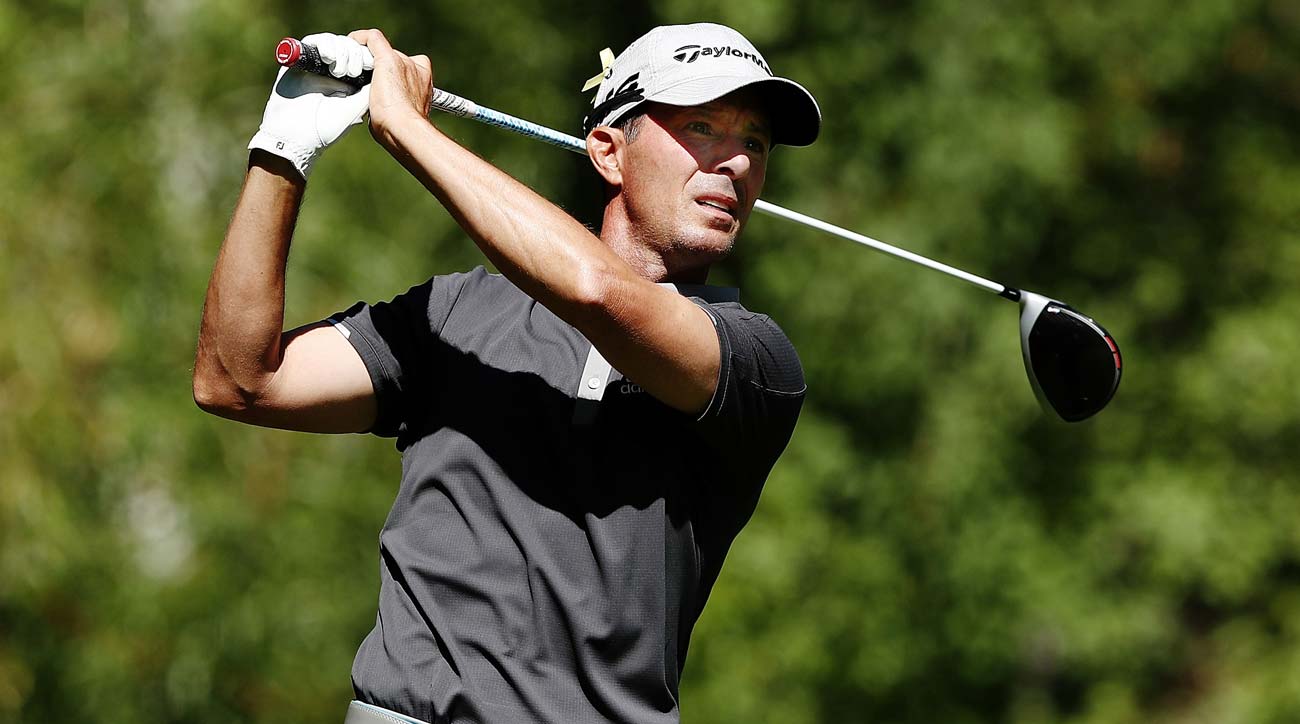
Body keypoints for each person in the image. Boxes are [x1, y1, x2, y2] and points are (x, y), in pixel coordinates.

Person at [193, 21, 820, 724]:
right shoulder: (458, 310)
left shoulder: (757, 364)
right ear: (609, 152)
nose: (734, 162)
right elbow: (238, 379)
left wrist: (406, 128)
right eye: (704, 127)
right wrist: (281, 147)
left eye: (755, 143)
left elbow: (597, 292)